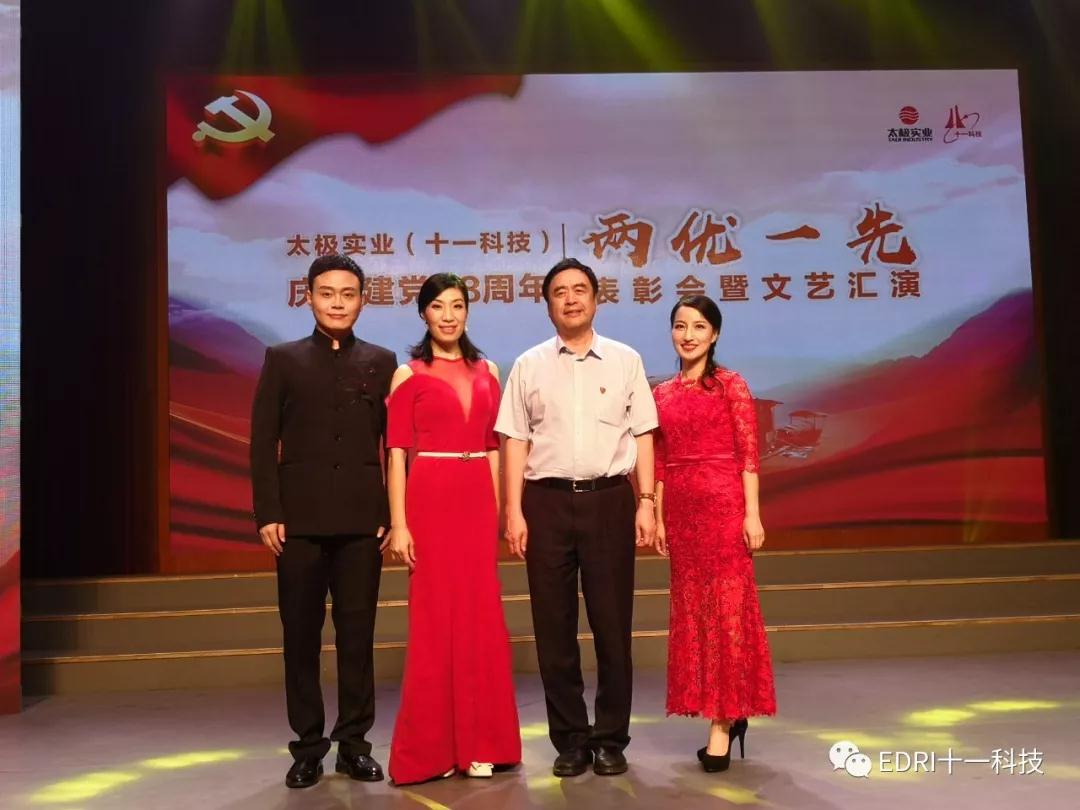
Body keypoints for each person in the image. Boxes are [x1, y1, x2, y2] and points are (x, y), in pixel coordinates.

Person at [495, 257, 658, 778]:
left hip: (609, 500)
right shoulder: (529, 365)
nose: (570, 299)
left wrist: (647, 500)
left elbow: (643, 434)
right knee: (554, 627)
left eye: (580, 289)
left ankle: (610, 738)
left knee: (612, 625)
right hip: (545, 503)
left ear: (596, 299)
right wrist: (514, 510)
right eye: (560, 292)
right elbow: (514, 440)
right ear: (547, 305)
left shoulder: (625, 360)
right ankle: (569, 739)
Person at [250, 254, 396, 789]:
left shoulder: (382, 361)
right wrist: (269, 511)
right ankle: (308, 747)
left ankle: (354, 744)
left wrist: (390, 512)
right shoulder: (283, 359)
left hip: (362, 523)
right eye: (327, 293)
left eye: (348, 294)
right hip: (299, 523)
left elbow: (395, 446)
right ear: (308, 296)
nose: (338, 303)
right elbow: (262, 440)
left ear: (363, 300)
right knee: (301, 637)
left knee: (357, 638)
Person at [385, 273, 521, 785]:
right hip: (430, 497)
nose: (449, 315)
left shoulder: (489, 370)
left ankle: (483, 743)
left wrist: (501, 511)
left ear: (468, 311)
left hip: (476, 500)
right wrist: (399, 524)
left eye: (458, 305)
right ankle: (433, 751)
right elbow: (396, 455)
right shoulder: (407, 374)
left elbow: (493, 448)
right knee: (434, 621)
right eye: (438, 306)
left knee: (480, 620)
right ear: (423, 313)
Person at [652, 294, 777, 773]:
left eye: (699, 327)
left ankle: (723, 724)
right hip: (682, 513)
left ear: (715, 334)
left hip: (725, 508)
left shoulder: (731, 385)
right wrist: (658, 516)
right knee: (695, 615)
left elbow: (748, 454)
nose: (688, 335)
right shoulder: (662, 393)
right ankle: (722, 710)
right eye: (680, 326)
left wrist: (752, 514)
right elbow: (659, 462)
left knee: (727, 613)